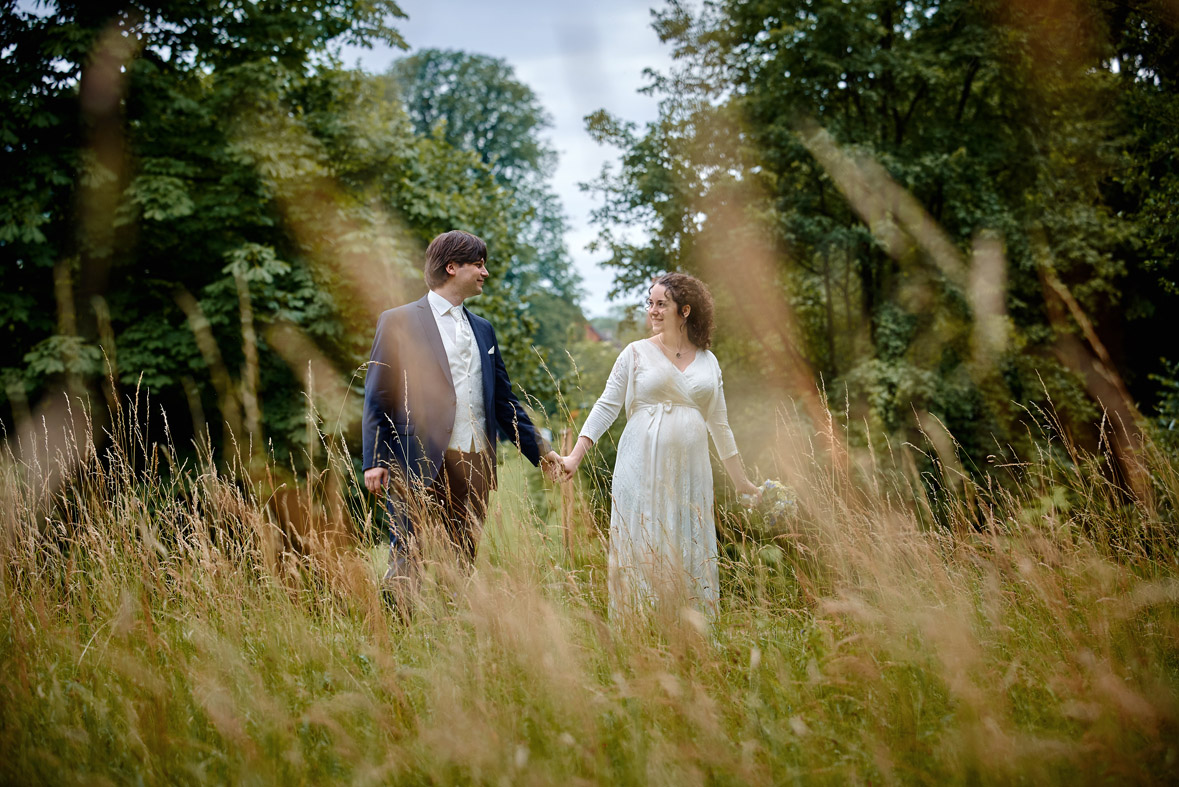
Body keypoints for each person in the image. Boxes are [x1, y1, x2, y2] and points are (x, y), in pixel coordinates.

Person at [362, 230, 562, 595]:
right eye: (479, 265)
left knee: (462, 562)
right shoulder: (398, 321)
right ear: (452, 267)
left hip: (475, 465)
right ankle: (396, 644)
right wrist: (374, 459)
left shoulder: (483, 330)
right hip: (418, 462)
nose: (485, 273)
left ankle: (451, 642)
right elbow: (378, 394)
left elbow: (503, 400)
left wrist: (541, 449)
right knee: (409, 559)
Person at [558, 273, 759, 617]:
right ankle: (639, 629)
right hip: (641, 466)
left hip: (690, 472)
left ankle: (690, 630)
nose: (652, 310)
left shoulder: (708, 362)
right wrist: (575, 456)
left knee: (687, 541)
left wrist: (742, 482)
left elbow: (720, 425)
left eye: (660, 304)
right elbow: (606, 406)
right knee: (643, 538)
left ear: (684, 311)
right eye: (649, 303)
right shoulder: (635, 353)